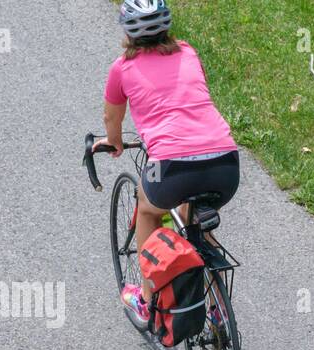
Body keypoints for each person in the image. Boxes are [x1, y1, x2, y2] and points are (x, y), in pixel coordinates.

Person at [93, 0, 239, 320]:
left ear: (128, 30)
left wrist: (114, 143)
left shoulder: (122, 68)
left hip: (173, 169)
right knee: (193, 220)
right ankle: (219, 311)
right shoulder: (188, 51)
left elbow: (111, 117)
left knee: (148, 209)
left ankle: (146, 301)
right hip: (226, 164)